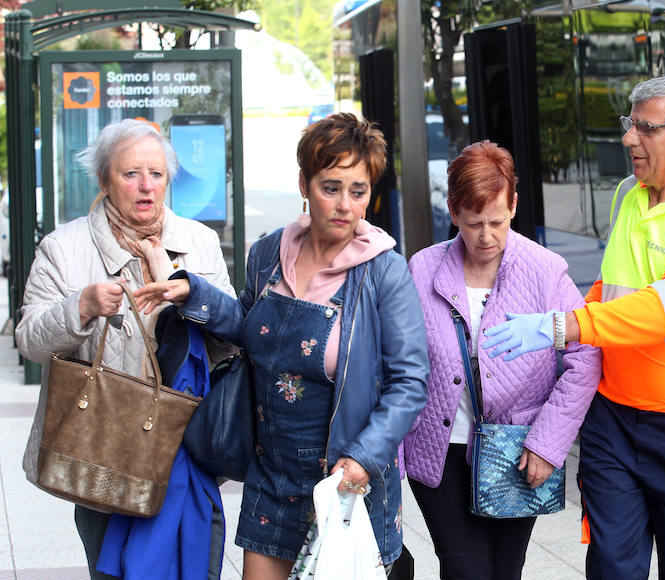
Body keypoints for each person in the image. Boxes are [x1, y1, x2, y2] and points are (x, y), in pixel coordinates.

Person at [481, 74, 665, 579]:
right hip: (613, 422)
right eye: (631, 125)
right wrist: (556, 325)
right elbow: (611, 287)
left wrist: (562, 326)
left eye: (646, 128)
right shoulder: (629, 193)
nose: (629, 138)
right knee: (611, 566)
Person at [135, 112, 429, 579]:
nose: (345, 206)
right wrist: (197, 295)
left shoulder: (383, 271)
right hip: (272, 473)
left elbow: (410, 381)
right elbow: (250, 328)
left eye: (358, 191)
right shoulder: (269, 252)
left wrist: (364, 458)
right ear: (304, 183)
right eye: (330, 188)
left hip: (343, 479)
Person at [15, 119, 235, 578]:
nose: (146, 187)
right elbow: (30, 339)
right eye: (130, 174)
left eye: (156, 174)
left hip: (183, 444)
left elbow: (233, 335)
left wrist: (188, 292)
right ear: (103, 180)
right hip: (101, 449)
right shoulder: (63, 248)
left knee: (191, 562)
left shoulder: (199, 242)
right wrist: (81, 307)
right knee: (112, 568)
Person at [403, 140, 602, 579]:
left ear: (513, 204)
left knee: (506, 569)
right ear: (454, 212)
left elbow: (586, 356)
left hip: (518, 451)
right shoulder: (422, 269)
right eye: (473, 223)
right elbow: (396, 360)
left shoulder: (544, 271)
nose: (486, 236)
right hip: (438, 451)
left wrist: (548, 444)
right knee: (465, 569)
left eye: (496, 221)